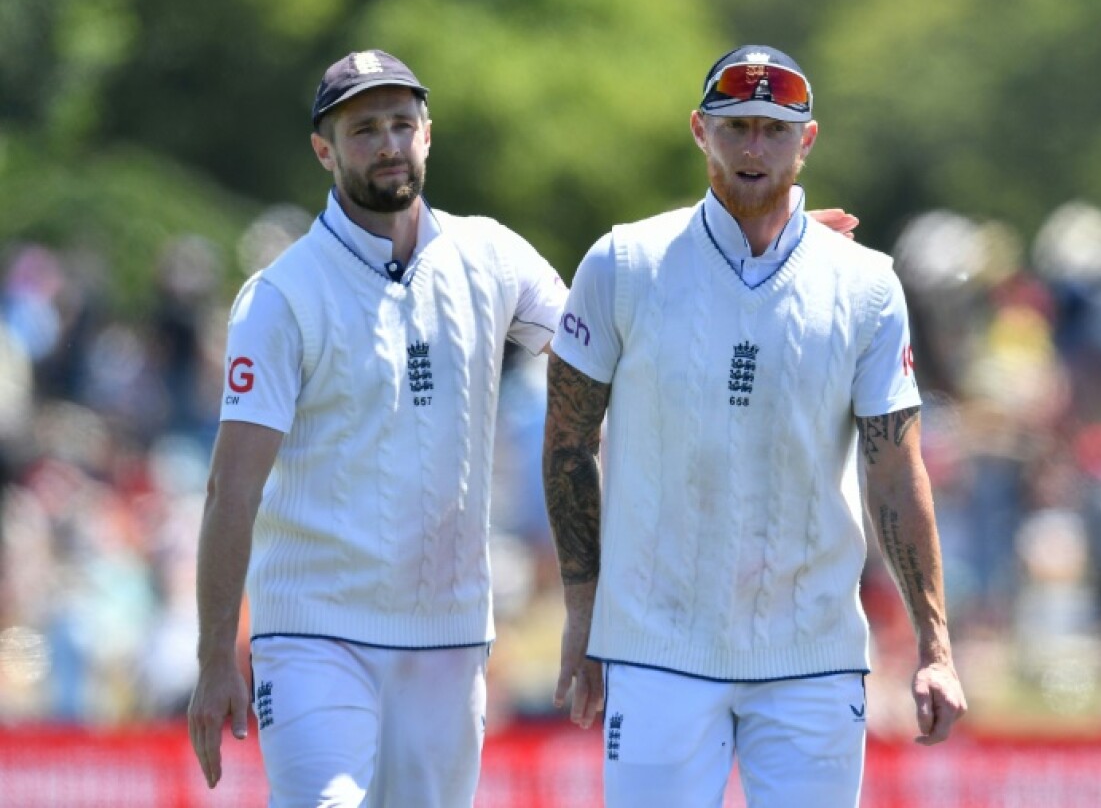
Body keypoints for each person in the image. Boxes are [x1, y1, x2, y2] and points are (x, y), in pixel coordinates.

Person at [543, 44, 967, 807]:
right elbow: (568, 444)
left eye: (775, 130)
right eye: (736, 126)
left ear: (807, 141)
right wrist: (584, 613)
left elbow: (896, 470)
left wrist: (936, 647)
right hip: (656, 645)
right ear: (700, 130)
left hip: (812, 656)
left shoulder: (866, 284)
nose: (753, 148)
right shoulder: (623, 263)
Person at [185, 49, 570, 806]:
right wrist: (212, 659)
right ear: (324, 150)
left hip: (448, 636)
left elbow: (608, 341)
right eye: (365, 130)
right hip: (315, 635)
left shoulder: (489, 255)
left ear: (429, 134)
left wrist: (727, 251)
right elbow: (230, 489)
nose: (389, 145)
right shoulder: (281, 297)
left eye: (402, 124)